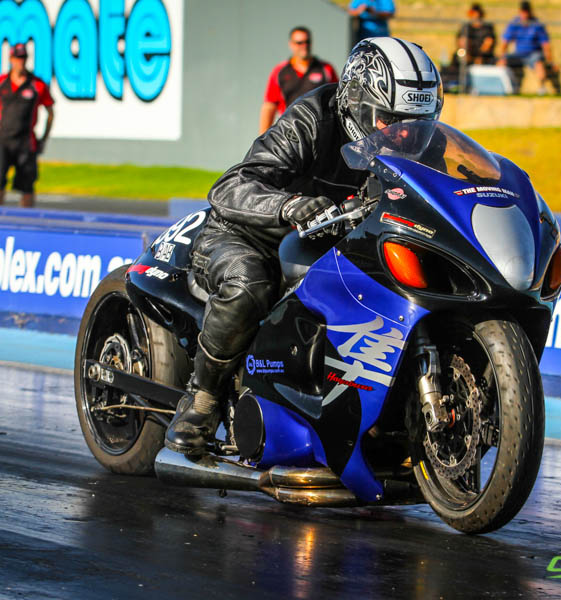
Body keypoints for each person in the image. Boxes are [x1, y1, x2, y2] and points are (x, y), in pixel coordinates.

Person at [165, 37, 443, 454]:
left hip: (330, 247)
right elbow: (232, 185)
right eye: (389, 120)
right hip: (251, 235)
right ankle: (200, 401)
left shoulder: (421, 143)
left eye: (417, 123)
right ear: (356, 102)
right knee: (250, 284)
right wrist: (289, 205)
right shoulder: (312, 118)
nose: (403, 135)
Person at [0, 43, 54, 208]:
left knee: (27, 184)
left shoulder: (37, 84)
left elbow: (50, 112)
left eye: (23, 58)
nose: (20, 62)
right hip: (4, 138)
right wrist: (1, 122)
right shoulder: (0, 83)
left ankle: (26, 219)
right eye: (17, 58)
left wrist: (44, 138)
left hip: (26, 141)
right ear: (11, 59)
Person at [260, 27, 339, 135]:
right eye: (299, 43)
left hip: (319, 131)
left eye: (307, 42)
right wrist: (263, 136)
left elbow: (337, 101)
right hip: (290, 131)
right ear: (291, 44)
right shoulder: (280, 71)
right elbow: (269, 106)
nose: (304, 46)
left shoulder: (326, 69)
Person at [496, 1, 558, 95]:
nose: (525, 14)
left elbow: (546, 45)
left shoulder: (537, 24)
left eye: (526, 12)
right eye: (523, 12)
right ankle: (501, 88)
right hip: (518, 54)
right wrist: (502, 57)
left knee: (539, 64)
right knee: (501, 62)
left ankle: (542, 88)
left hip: (533, 54)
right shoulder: (515, 23)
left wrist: (550, 61)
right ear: (519, 12)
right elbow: (505, 42)